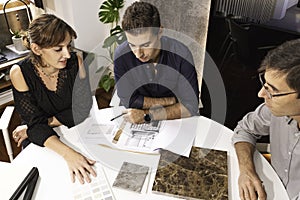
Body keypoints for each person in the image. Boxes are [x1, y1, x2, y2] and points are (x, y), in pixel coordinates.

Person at [10, 14, 96, 184]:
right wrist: (69, 154)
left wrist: (38, 125)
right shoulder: (20, 73)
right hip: (44, 140)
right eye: (58, 49)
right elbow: (35, 124)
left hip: (71, 128)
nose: (67, 54)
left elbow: (83, 108)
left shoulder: (75, 61)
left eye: (68, 46)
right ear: (36, 49)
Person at [232, 39, 300, 200]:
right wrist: (247, 171)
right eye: (265, 85)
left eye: (272, 91)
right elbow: (245, 129)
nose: (261, 94)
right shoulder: (275, 110)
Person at [114, 1, 199, 124]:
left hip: (173, 121)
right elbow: (129, 100)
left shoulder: (181, 54)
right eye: (132, 45)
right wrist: (170, 101)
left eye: (146, 45)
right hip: (137, 119)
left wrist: (147, 115)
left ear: (159, 32)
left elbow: (191, 106)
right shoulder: (121, 55)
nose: (138, 54)